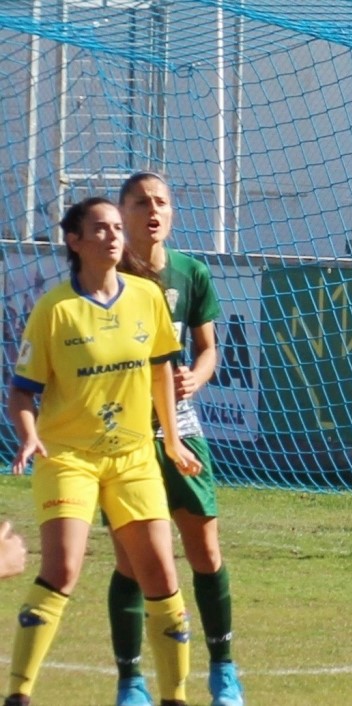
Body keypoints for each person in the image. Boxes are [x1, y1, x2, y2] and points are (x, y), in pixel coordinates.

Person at [4, 197, 200, 706]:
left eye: (117, 227)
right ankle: (19, 695)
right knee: (63, 568)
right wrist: (30, 434)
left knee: (160, 574)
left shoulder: (147, 296)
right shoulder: (54, 310)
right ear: (75, 241)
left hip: (133, 456)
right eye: (100, 228)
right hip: (68, 456)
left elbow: (161, 368)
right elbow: (21, 392)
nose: (114, 236)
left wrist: (172, 440)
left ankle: (175, 698)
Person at [109, 172, 245, 706]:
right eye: (140, 201)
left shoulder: (190, 272)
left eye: (161, 201)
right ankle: (131, 681)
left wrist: (197, 376)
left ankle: (224, 670)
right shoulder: (106, 275)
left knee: (205, 552)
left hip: (180, 428)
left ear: (172, 212)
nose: (152, 210)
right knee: (130, 560)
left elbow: (207, 349)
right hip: (123, 432)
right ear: (120, 212)